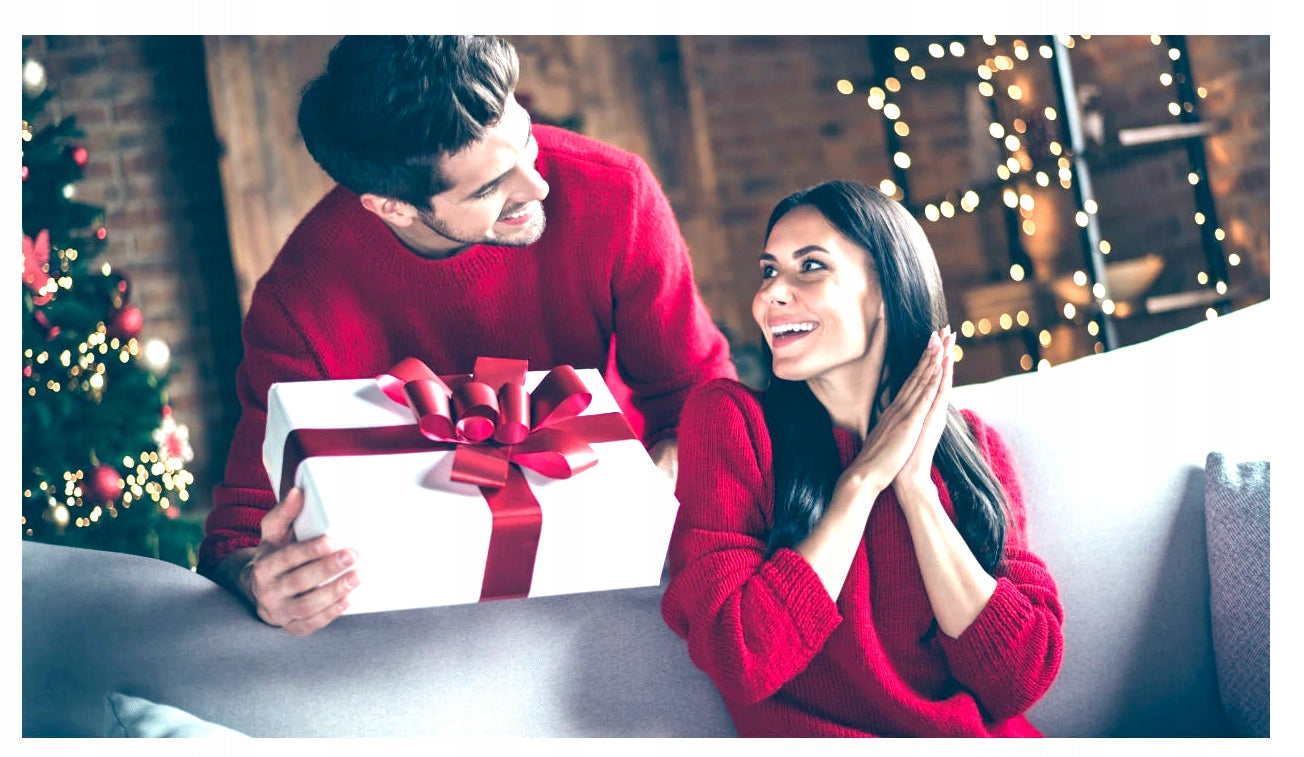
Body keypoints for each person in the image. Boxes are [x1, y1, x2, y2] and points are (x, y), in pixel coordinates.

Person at [198, 35, 736, 636]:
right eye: (489, 187)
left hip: (609, 553)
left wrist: (652, 492)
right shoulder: (299, 304)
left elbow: (701, 393)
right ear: (392, 206)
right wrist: (260, 581)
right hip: (420, 602)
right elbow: (238, 530)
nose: (538, 187)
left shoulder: (615, 192)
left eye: (526, 138)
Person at [660, 179, 1063, 737]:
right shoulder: (731, 424)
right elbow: (741, 658)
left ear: (885, 291)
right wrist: (863, 483)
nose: (771, 295)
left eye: (810, 267)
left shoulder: (972, 446)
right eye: (768, 271)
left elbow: (1018, 680)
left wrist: (917, 491)